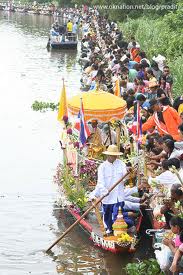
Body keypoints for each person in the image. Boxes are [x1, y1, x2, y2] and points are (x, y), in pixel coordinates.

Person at [89, 145, 134, 234]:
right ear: (108, 155)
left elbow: (126, 177)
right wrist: (104, 191)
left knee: (118, 215)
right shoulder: (102, 167)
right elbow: (100, 182)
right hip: (107, 196)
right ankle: (109, 229)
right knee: (108, 217)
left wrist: (129, 172)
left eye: (115, 155)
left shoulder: (121, 164)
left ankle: (119, 230)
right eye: (112, 155)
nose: (114, 157)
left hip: (119, 196)